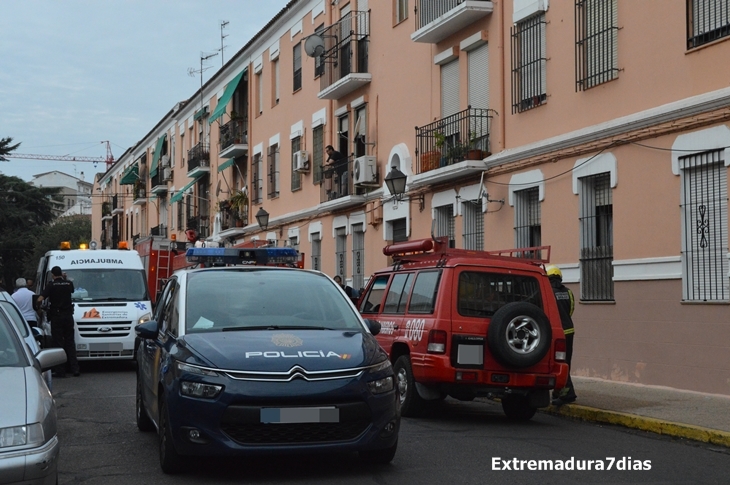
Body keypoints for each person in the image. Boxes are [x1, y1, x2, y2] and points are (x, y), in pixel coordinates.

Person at [38, 266, 80, 377]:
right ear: (61, 273)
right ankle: (75, 369)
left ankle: (61, 371)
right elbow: (71, 290)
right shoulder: (68, 284)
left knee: (58, 343)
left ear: (52, 274)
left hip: (57, 316)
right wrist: (65, 279)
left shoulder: (51, 285)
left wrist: (39, 306)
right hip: (68, 316)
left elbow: (40, 298)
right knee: (70, 342)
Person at [545, 265, 576, 405]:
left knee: (558, 363)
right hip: (569, 330)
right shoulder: (568, 292)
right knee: (566, 362)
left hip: (556, 332)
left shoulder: (548, 292)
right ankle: (561, 392)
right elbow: (571, 310)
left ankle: (567, 393)